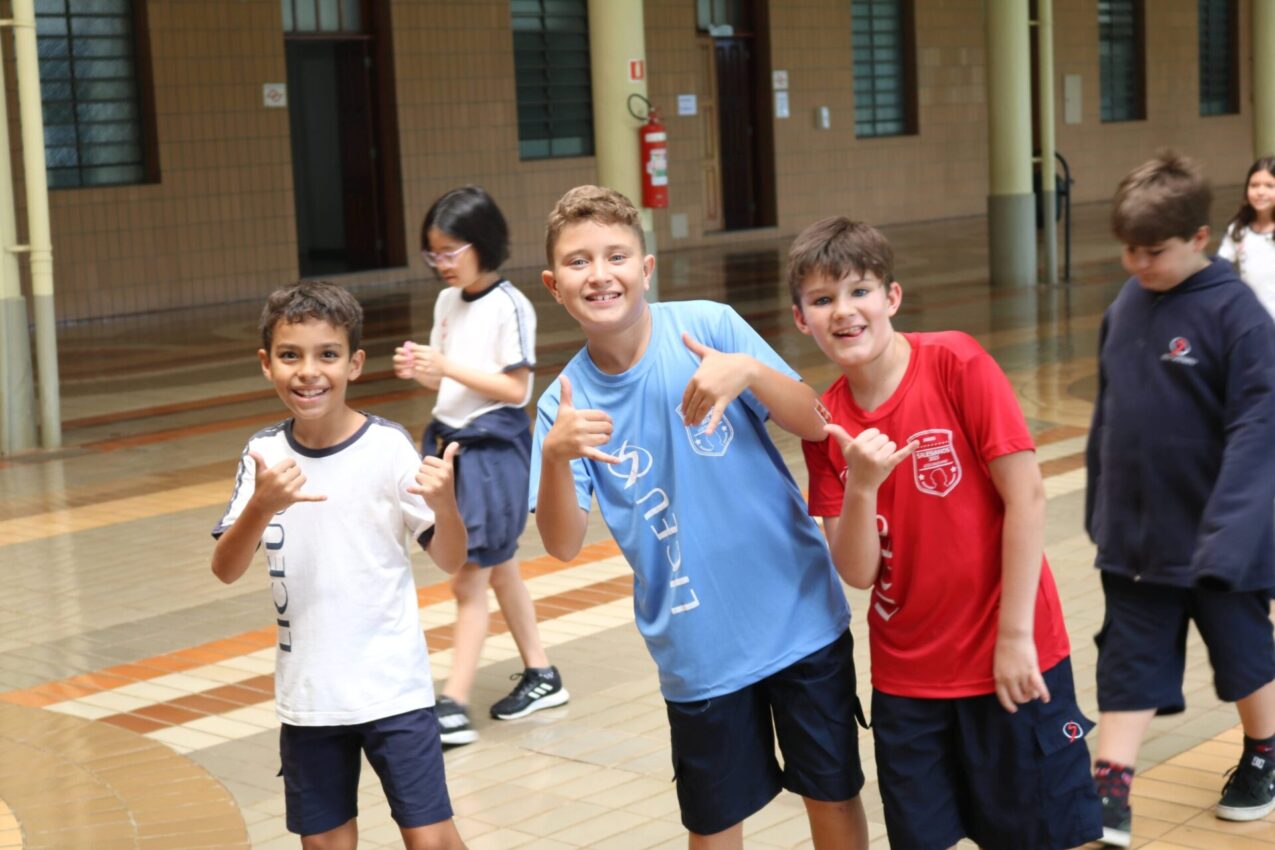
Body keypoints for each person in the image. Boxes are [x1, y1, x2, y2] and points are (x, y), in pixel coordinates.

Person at [530, 185, 868, 850]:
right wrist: (554, 457)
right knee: (713, 826)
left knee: (831, 796)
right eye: (578, 262)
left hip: (799, 617)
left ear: (646, 267)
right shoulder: (562, 405)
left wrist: (749, 372)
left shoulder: (709, 328)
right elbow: (562, 544)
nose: (599, 274)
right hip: (697, 649)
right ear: (553, 285)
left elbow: (815, 422)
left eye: (616, 256)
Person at [793, 217, 1101, 850]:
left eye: (859, 291)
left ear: (891, 297)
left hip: (1010, 656)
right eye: (822, 300)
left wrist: (1014, 638)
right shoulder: (827, 426)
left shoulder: (955, 362)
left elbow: (1027, 497)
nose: (843, 311)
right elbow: (858, 572)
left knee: (1037, 836)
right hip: (907, 682)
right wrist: (862, 485)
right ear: (801, 319)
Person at [211, 281, 469, 850]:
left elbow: (451, 559)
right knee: (325, 843)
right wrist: (261, 506)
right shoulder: (263, 456)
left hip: (394, 690)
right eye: (290, 355)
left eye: (327, 354)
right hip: (309, 697)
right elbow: (226, 567)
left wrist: (446, 504)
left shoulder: (387, 447)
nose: (309, 372)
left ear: (354, 363)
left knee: (430, 838)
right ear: (266, 363)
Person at [1086, 151, 1275, 847]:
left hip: (1222, 542)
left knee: (1243, 657)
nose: (1137, 264)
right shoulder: (1126, 305)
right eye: (1128, 250)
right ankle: (1109, 795)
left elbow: (1258, 432)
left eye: (1153, 251)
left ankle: (1264, 752)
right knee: (1127, 661)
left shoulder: (1237, 317)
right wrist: (1101, 510)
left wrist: (1229, 536)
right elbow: (1109, 417)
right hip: (1137, 541)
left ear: (1198, 238)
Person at [394, 186, 567, 747]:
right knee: (500, 564)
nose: (441, 263)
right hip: (453, 446)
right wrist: (422, 369)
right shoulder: (448, 302)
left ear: (482, 243)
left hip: (493, 451)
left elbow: (515, 390)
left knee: (470, 577)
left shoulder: (510, 305)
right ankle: (541, 673)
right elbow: (447, 380)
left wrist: (444, 366)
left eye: (451, 251)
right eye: (433, 253)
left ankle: (453, 704)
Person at [1218, 155, 1275, 317]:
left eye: (1269, 186)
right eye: (1254, 185)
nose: (1260, 192)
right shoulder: (1238, 229)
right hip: (1253, 318)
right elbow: (1221, 266)